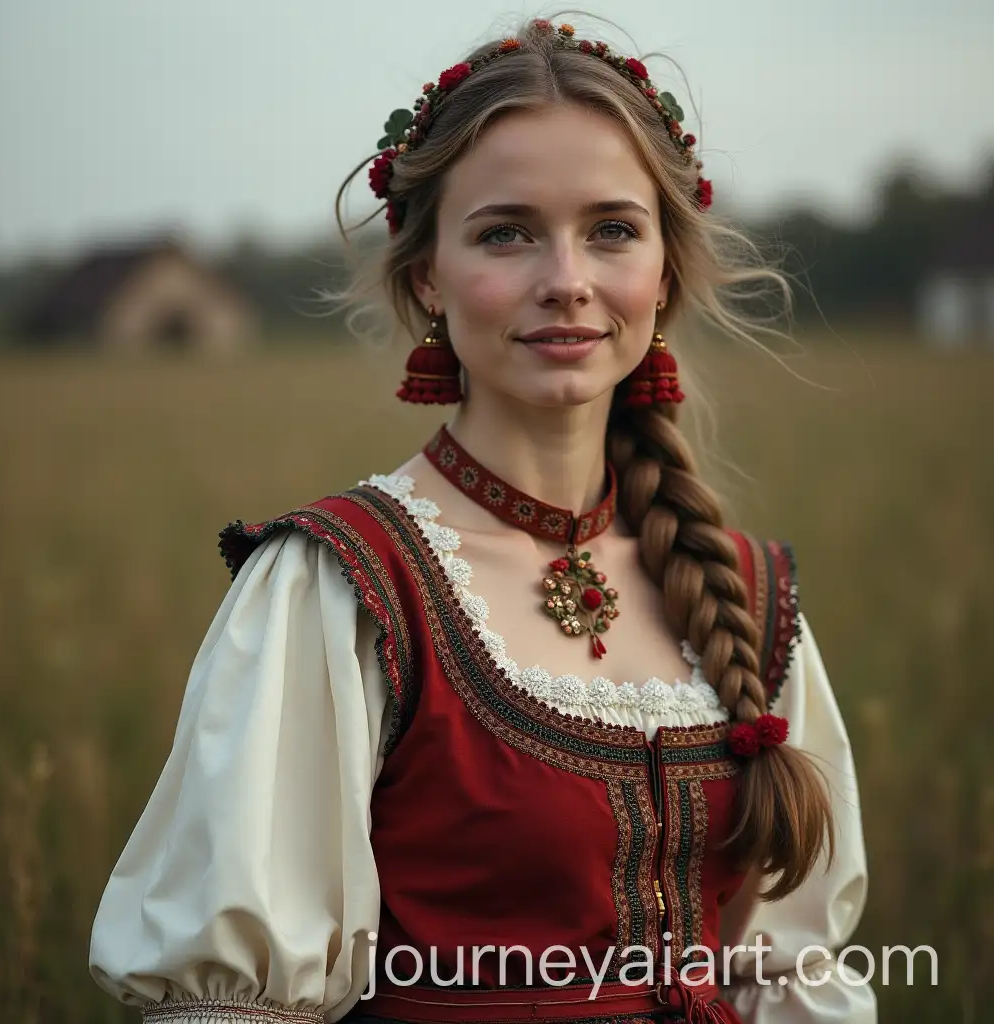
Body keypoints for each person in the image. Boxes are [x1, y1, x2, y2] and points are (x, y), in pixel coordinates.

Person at [89, 15, 875, 1024]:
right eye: (506, 232)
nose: (567, 281)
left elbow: (792, 973)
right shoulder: (341, 585)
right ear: (428, 274)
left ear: (665, 269)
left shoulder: (749, 598)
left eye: (612, 229)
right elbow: (238, 1005)